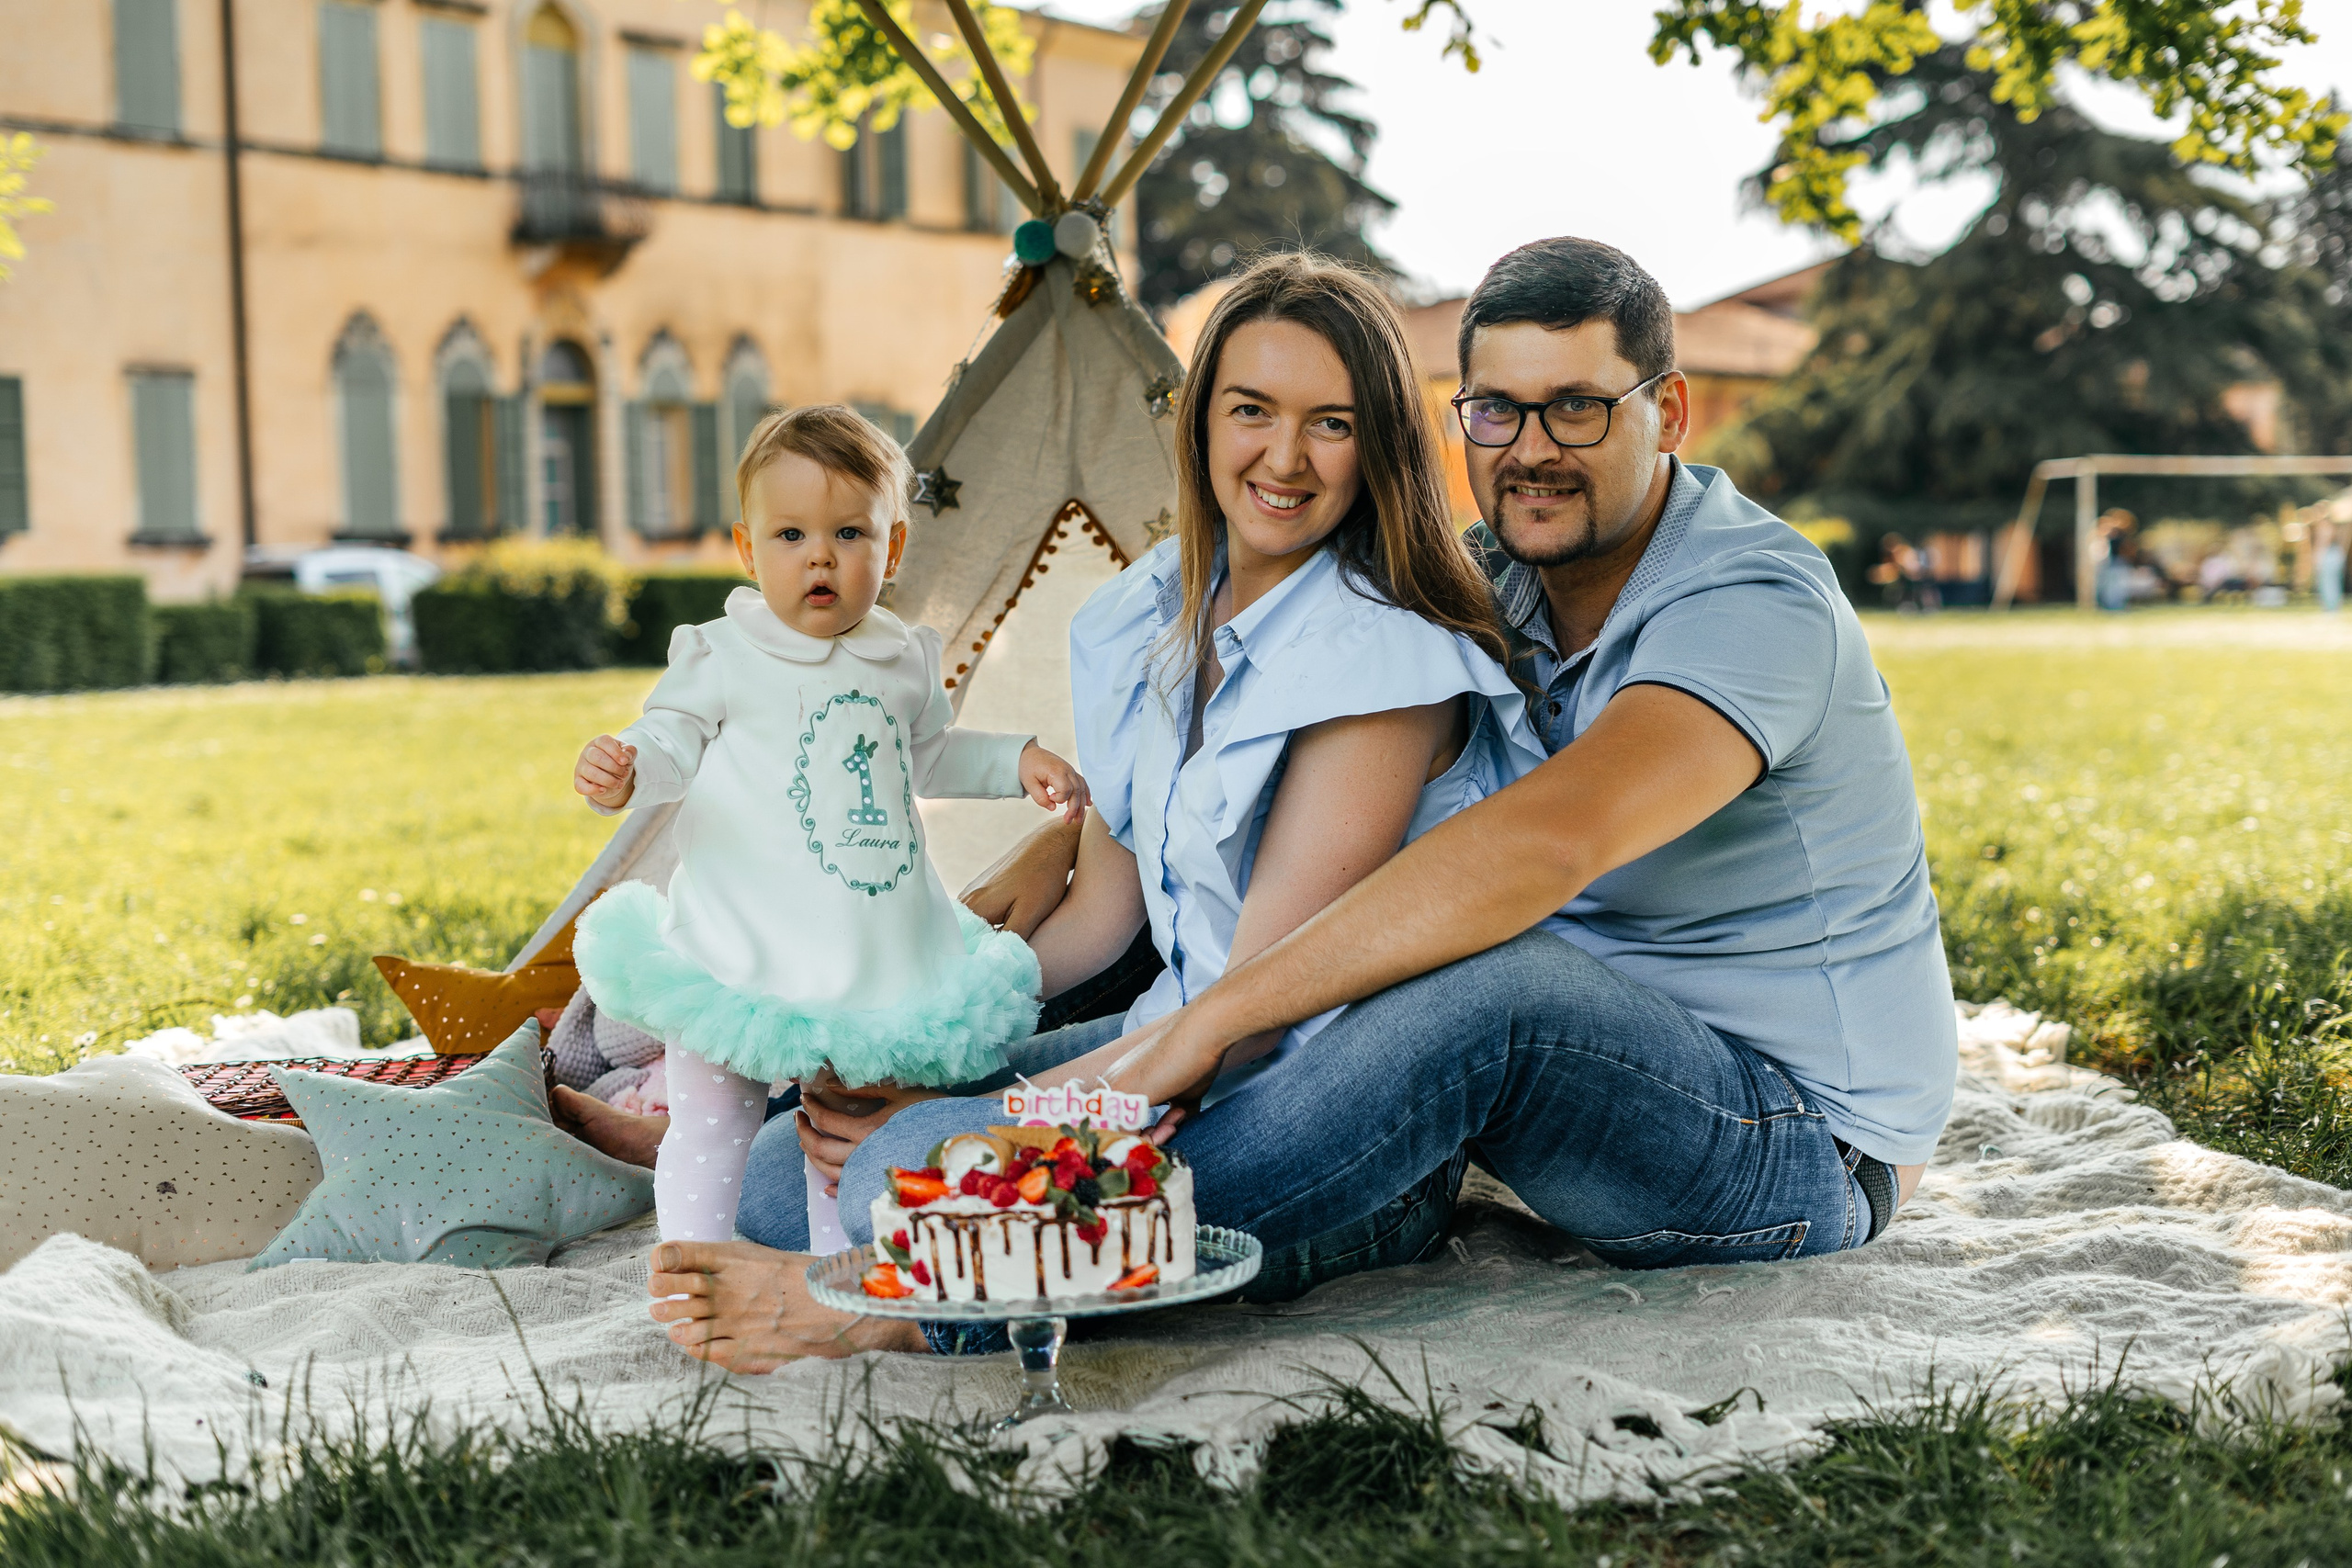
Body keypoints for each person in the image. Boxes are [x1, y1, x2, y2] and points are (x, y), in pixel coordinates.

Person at [629, 237, 1958, 1371]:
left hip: (1782, 1134)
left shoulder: (1749, 603)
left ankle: (910, 1299)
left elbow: (1545, 842)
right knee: (797, 1171)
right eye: (1496, 410)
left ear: (1671, 410)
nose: (1532, 449)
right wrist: (946, 994)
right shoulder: (1493, 579)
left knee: (1500, 985)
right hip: (1515, 1085)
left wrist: (1169, 1049)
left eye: (1579, 409)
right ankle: (931, 1227)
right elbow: (1143, 871)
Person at [567, 404, 1088, 1255]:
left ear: (893, 549)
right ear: (747, 548)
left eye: (850, 532)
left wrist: (1014, 760)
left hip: (863, 951)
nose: (820, 555)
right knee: (710, 1123)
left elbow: (929, 756)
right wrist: (627, 765)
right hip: (736, 946)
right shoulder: (722, 653)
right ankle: (692, 1269)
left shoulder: (903, 656)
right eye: (790, 534)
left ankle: (830, 1275)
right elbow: (671, 741)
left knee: (843, 1132)